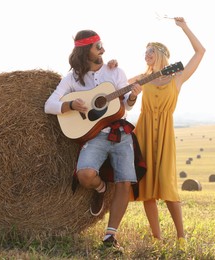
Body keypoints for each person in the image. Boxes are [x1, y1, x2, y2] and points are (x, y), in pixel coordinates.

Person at [44, 29, 142, 250]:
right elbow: (49, 106)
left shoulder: (115, 72)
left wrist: (133, 95)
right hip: (95, 135)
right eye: (97, 46)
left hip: (120, 133)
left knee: (125, 181)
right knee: (85, 175)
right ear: (84, 50)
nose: (103, 49)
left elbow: (125, 104)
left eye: (102, 44)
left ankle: (110, 235)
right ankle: (100, 188)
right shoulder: (71, 78)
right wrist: (71, 105)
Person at [128, 17, 205, 250]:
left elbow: (200, 51)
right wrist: (111, 66)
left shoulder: (177, 78)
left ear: (161, 54)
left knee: (168, 185)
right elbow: (116, 84)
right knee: (147, 186)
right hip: (143, 132)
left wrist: (185, 28)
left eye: (150, 51)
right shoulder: (142, 78)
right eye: (145, 52)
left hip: (165, 134)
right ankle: (156, 238)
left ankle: (181, 238)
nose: (146, 55)